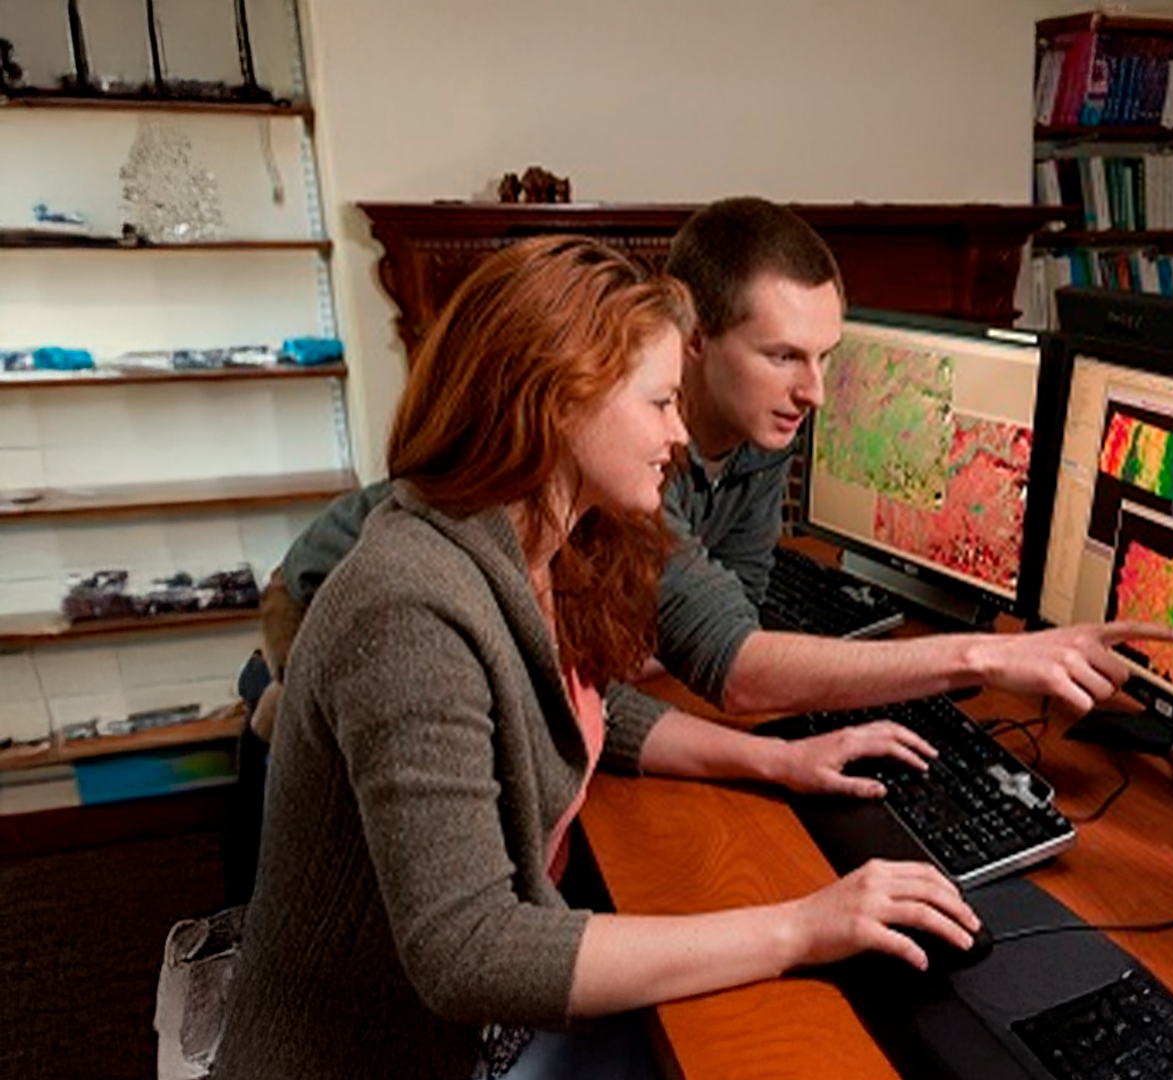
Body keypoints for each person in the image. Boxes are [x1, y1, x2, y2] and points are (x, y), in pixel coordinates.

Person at [215, 236, 981, 1080]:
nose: (679, 433)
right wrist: (801, 926)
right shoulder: (411, 606)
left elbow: (575, 702)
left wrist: (777, 760)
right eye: (659, 403)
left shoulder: (545, 544)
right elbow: (470, 953)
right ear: (559, 404)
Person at [261, 197, 1170, 735]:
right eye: (783, 356)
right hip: (322, 596)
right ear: (693, 337)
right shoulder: (620, 453)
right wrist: (982, 655)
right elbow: (728, 661)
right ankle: (276, 707)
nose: (815, 392)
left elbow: (730, 606)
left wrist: (669, 646)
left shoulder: (760, 428)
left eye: (826, 356)